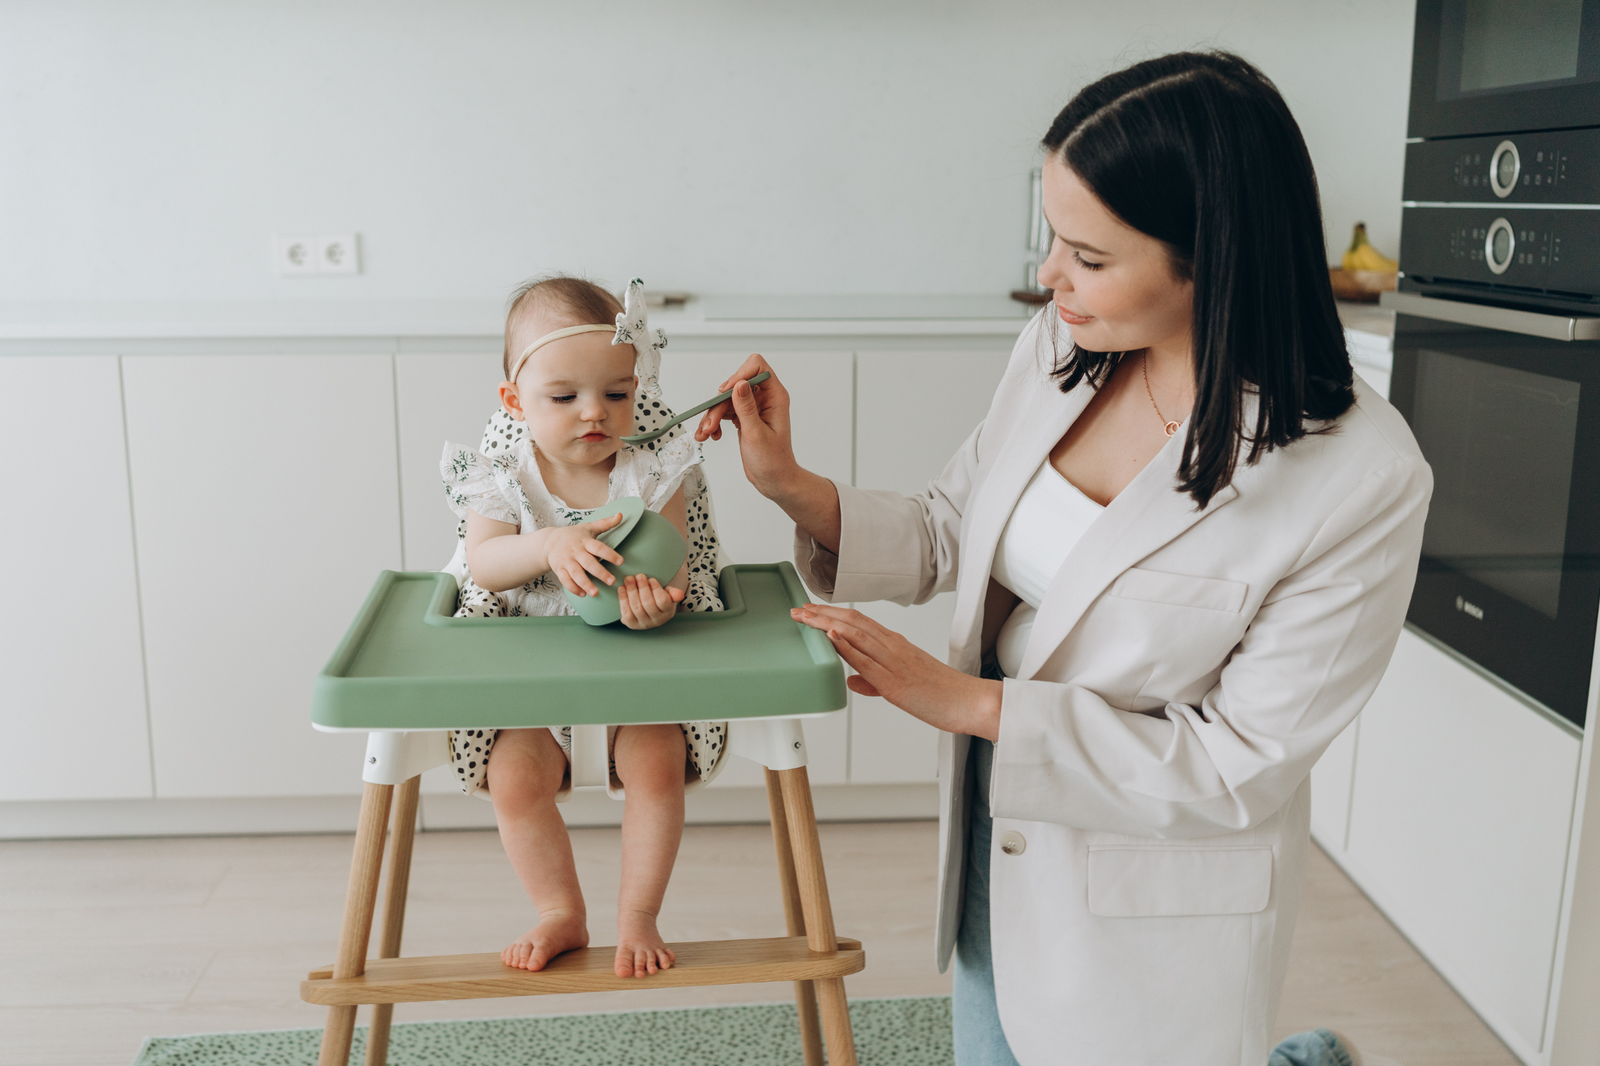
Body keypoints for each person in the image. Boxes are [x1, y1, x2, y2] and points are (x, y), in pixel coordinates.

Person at [696, 52, 1428, 1066]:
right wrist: (788, 484)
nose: (1048, 276)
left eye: (1085, 254)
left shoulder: (1359, 477)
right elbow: (953, 526)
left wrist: (970, 703)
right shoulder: (1059, 346)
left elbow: (1232, 768)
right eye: (1051, 237)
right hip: (1001, 824)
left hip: (1147, 875)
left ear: (1208, 257)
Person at [440, 276, 727, 980]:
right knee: (514, 780)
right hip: (530, 683)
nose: (594, 414)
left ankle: (639, 914)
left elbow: (673, 565)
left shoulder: (655, 469)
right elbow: (483, 562)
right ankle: (558, 910)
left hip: (634, 668)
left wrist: (657, 600)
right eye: (564, 397)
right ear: (516, 402)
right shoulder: (502, 477)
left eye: (618, 394)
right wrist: (545, 546)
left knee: (658, 766)